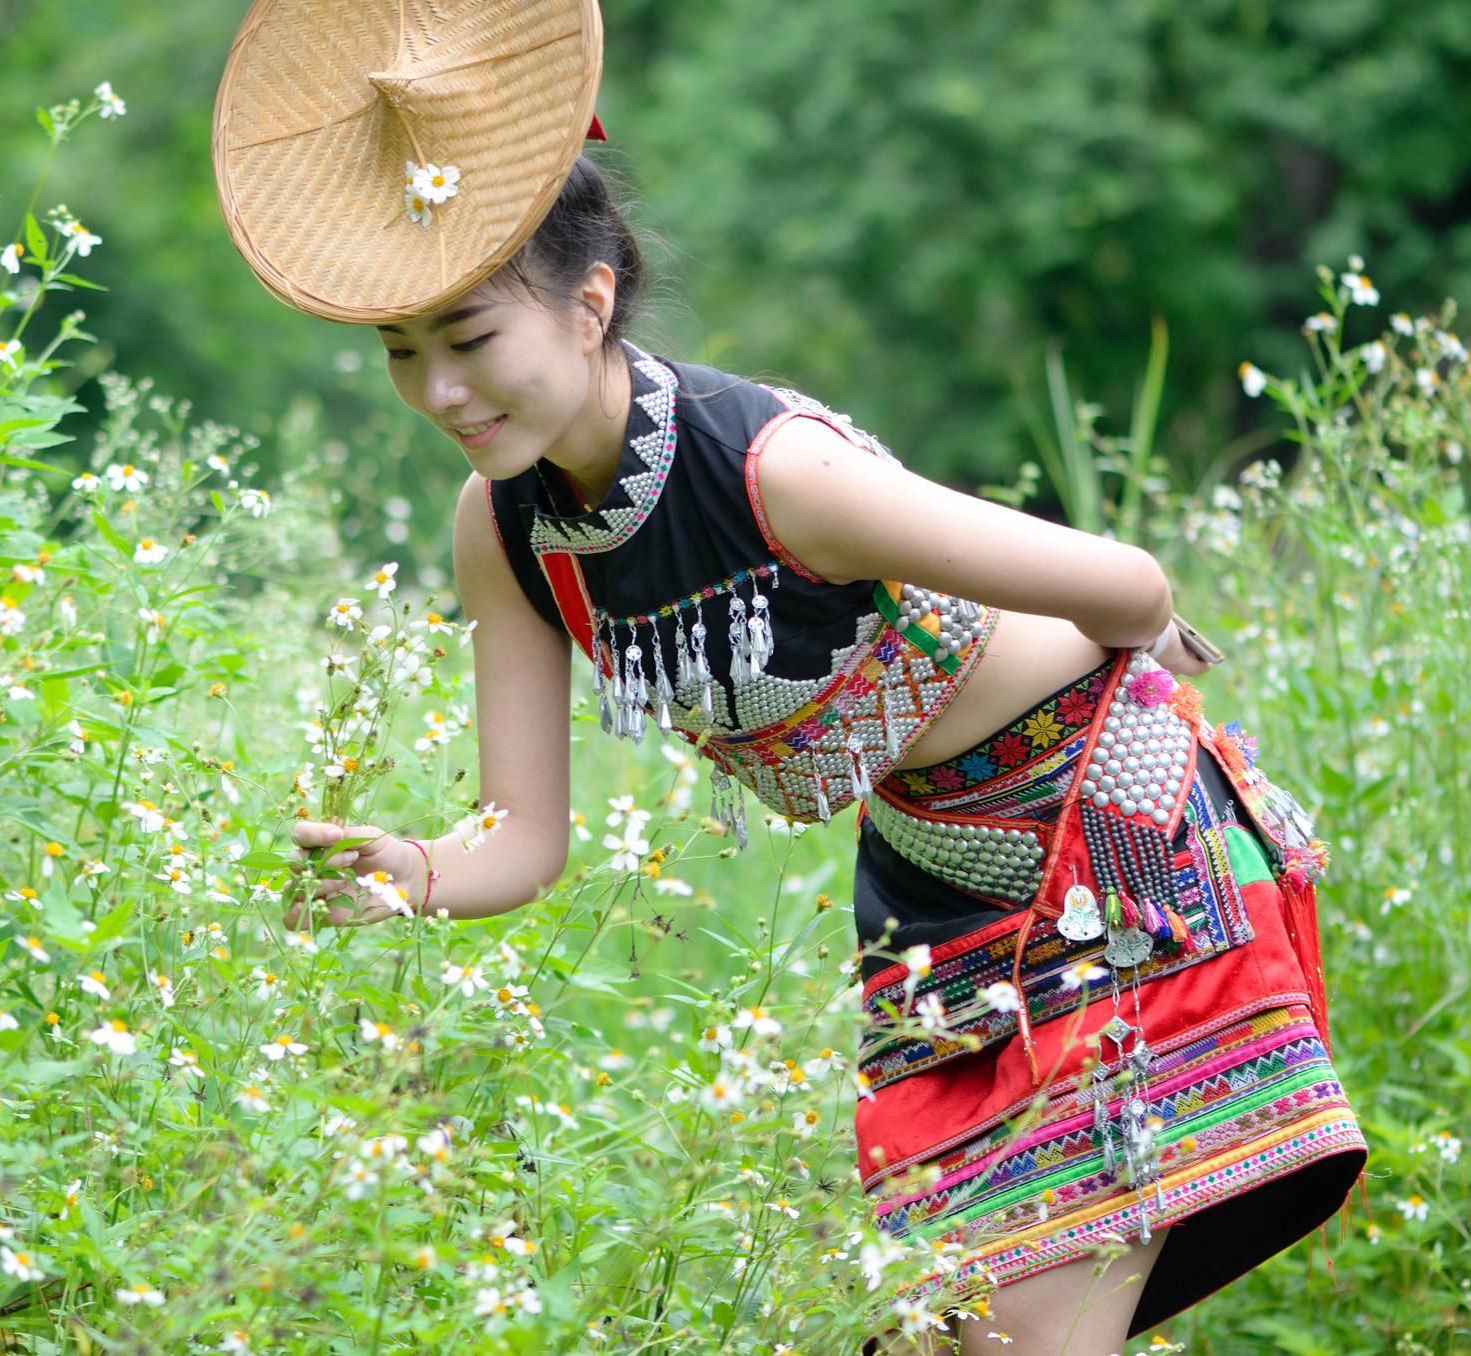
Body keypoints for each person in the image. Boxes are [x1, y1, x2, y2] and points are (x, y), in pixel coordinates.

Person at [213, 5, 1365, 1350]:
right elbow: (523, 839)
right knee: (919, 1329)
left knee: (1033, 1331)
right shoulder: (506, 531)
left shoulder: (781, 473)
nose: (441, 391)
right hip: (929, 878)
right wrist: (411, 873)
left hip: (1098, 817)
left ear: (591, 304)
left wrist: (1162, 647)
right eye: (402, 353)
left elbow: (1123, 580)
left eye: (469, 340)